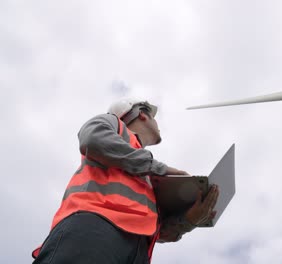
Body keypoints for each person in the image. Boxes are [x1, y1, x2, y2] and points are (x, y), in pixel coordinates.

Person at [32, 97, 219, 264]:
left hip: (138, 252)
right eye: (154, 116)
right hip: (96, 227)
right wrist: (160, 168)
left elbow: (156, 230)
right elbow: (92, 139)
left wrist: (188, 221)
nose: (157, 121)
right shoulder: (113, 124)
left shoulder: (148, 178)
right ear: (142, 115)